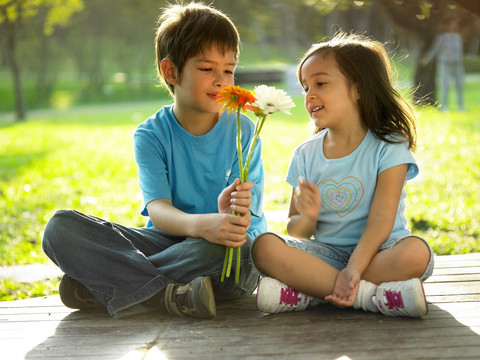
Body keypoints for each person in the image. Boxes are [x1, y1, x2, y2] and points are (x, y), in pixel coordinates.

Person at [42, 2, 267, 320]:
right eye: (207, 69)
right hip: (169, 241)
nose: (221, 80)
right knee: (60, 228)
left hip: (222, 251)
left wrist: (226, 214)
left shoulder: (245, 129)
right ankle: (167, 295)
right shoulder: (150, 134)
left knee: (241, 253)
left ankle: (109, 284)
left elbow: (245, 222)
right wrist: (201, 224)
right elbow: (159, 210)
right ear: (171, 71)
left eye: (228, 70)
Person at [252, 32, 434, 318]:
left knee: (416, 253)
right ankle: (371, 296)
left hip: (381, 252)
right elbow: (296, 230)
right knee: (263, 247)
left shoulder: (389, 145)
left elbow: (381, 219)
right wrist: (308, 216)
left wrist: (354, 268)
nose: (309, 94)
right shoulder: (305, 154)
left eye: (321, 83)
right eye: (305, 87)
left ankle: (313, 293)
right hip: (326, 254)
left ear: (359, 88)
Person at [421, 19, 466, 112]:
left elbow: (460, 52)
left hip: (457, 64)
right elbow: (435, 50)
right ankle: (444, 106)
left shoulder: (458, 37)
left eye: (455, 24)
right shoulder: (442, 37)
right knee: (445, 85)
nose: (454, 26)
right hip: (445, 64)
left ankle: (461, 106)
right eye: (452, 24)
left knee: (459, 86)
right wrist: (427, 59)